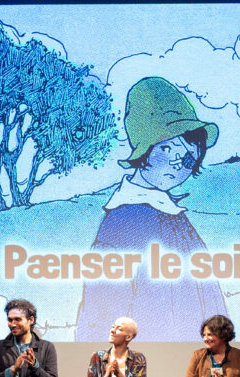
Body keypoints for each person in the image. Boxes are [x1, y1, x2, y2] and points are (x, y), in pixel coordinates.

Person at [75, 76, 227, 342]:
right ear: (144, 149)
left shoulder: (176, 219)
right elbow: (99, 313)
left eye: (187, 158)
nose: (176, 164)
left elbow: (209, 296)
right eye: (167, 148)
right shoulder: (122, 222)